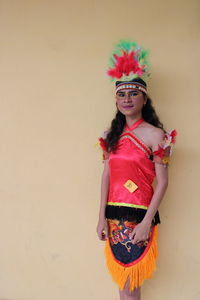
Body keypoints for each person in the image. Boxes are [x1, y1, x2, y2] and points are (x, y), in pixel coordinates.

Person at [96, 40, 177, 300]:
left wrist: (146, 223)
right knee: (123, 280)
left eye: (133, 94)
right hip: (113, 215)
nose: (127, 99)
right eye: (121, 94)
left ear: (144, 98)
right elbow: (107, 176)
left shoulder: (156, 135)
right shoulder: (111, 135)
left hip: (139, 214)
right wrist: (100, 217)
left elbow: (162, 182)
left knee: (131, 280)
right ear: (116, 99)